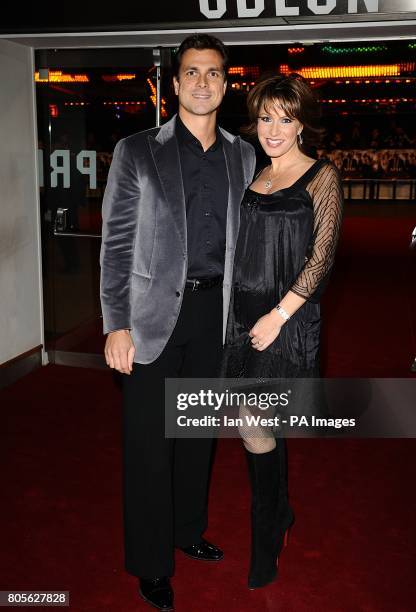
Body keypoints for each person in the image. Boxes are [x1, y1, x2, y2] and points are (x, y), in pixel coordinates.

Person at [100, 34, 256, 611]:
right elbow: (115, 246)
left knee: (194, 437)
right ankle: (150, 562)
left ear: (224, 84)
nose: (201, 82)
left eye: (213, 73)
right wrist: (116, 322)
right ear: (174, 83)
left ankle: (188, 530)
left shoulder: (242, 154)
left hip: (214, 315)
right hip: (149, 318)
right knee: (149, 445)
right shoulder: (137, 150)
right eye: (191, 71)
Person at [222, 74, 343, 589]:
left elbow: (322, 259)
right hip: (237, 321)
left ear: (301, 124)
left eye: (285, 119)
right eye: (266, 117)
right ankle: (282, 509)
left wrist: (278, 316)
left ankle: (268, 531)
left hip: (283, 321)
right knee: (251, 423)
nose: (274, 129)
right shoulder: (249, 172)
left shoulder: (321, 177)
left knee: (252, 423)